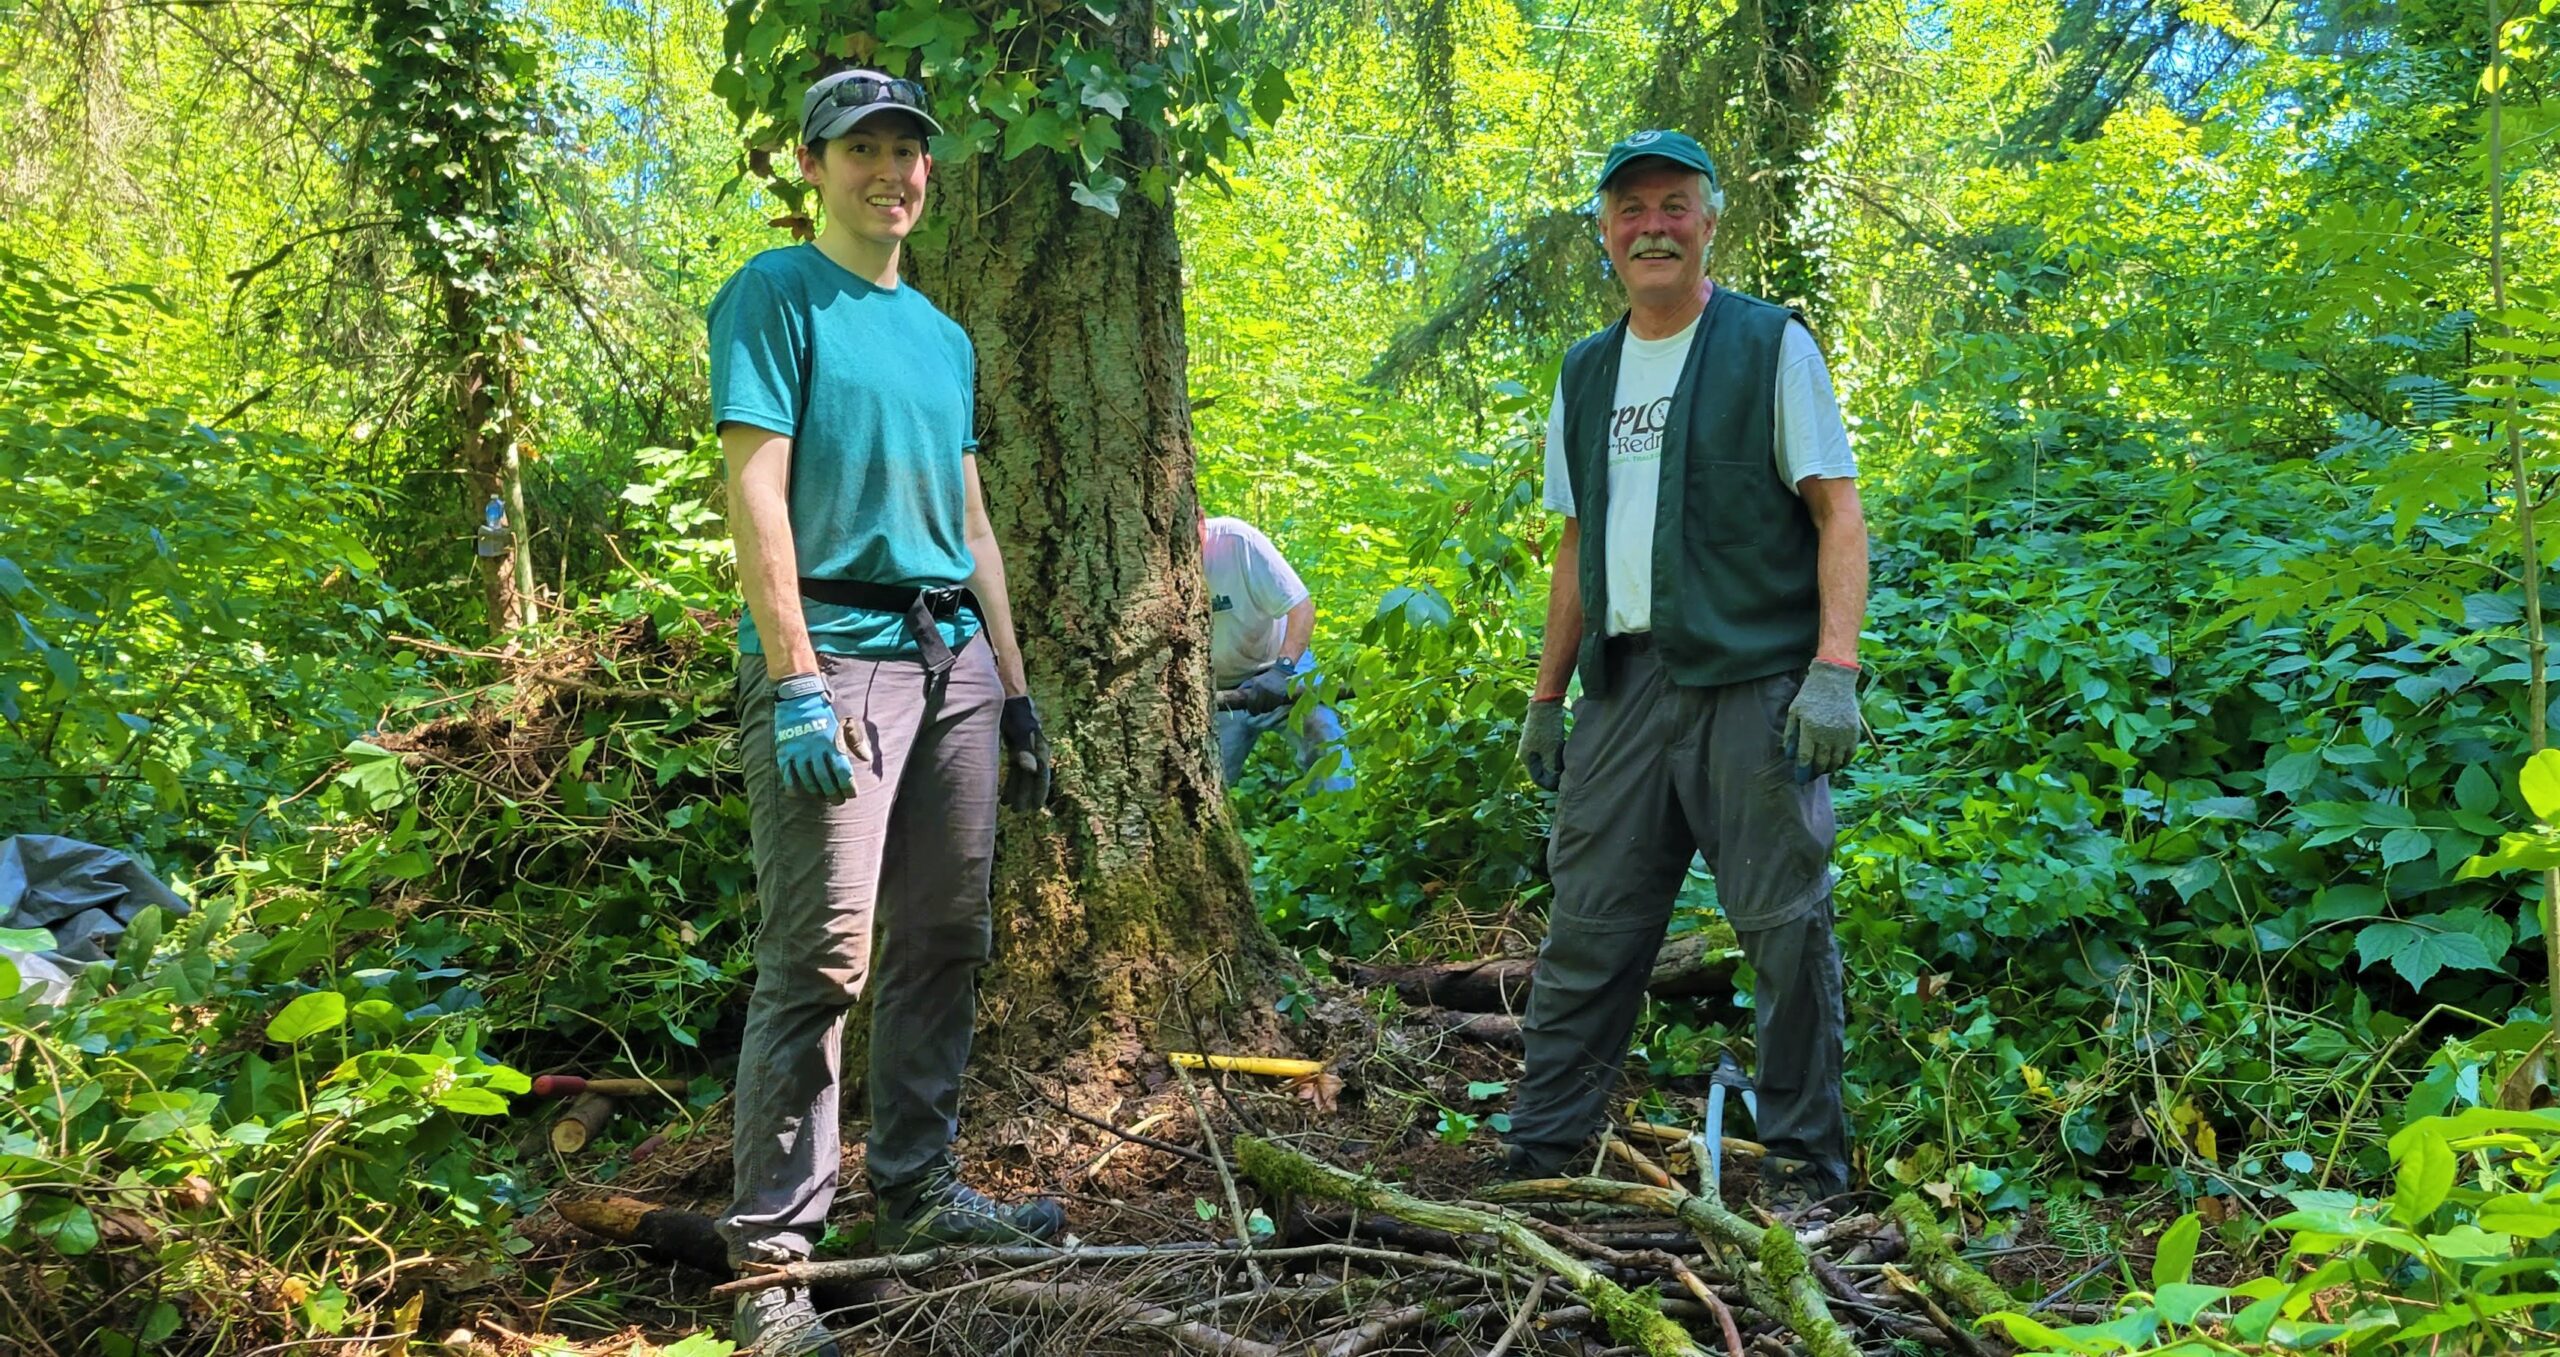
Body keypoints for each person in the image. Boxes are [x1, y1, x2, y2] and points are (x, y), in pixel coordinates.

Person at [708, 68, 1064, 1355]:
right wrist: (793, 675)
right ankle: (772, 1275)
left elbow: (969, 523)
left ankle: (916, 1195)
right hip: (835, 658)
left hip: (951, 661)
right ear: (814, 166)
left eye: (909, 152)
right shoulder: (774, 295)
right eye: (864, 150)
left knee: (945, 940)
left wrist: (1014, 694)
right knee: (821, 960)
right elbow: (754, 492)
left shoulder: (944, 337)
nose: (892, 173)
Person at [1505, 130, 1869, 1215]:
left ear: (1709, 223)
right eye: (1630, 210)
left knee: (1785, 928)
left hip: (1754, 687)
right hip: (1622, 691)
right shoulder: (1586, 369)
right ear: (1605, 234)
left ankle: (1805, 1167)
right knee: (1589, 928)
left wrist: (1833, 669)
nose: (1650, 226)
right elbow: (1577, 543)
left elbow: (1835, 510)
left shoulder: (1767, 344)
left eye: (1672, 206)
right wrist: (1543, 693)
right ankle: (1545, 1158)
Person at [1203, 514, 1355, 794]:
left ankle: (1341, 820)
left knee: (1320, 727)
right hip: (1215, 689)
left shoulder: (1237, 542)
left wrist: (1282, 669)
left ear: (1200, 519)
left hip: (1280, 667)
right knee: (1205, 781)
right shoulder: (1152, 566)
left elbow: (1301, 607)